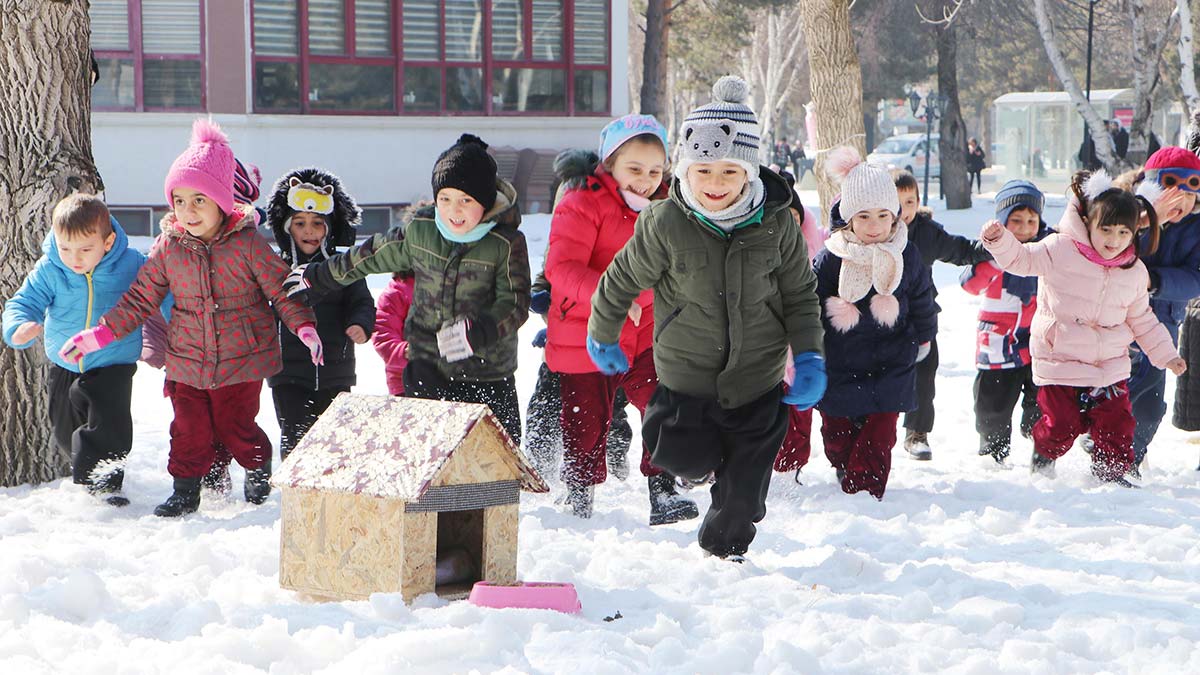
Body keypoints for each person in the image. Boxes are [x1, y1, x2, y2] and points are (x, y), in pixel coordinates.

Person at [588, 76, 825, 561]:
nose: (715, 185)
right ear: (685, 170)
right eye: (704, 171)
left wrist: (810, 355)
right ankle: (700, 460)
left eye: (729, 172)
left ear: (750, 173)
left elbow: (801, 294)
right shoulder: (665, 223)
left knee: (744, 498)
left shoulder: (777, 223)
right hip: (686, 377)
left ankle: (725, 552)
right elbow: (621, 278)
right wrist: (603, 331)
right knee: (679, 456)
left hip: (757, 379)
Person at [60, 119, 321, 516]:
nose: (187, 210)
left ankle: (255, 467)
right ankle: (186, 489)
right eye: (179, 200)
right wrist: (101, 333)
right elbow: (141, 297)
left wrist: (303, 325)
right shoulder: (169, 246)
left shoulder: (248, 244)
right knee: (188, 429)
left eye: (199, 200)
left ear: (220, 200)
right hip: (187, 359)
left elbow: (280, 289)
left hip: (241, 359)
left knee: (236, 427)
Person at [284, 134, 530, 443]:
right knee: (431, 455)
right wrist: (318, 276)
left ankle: (496, 492)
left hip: (488, 371)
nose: (454, 211)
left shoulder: (505, 243)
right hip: (429, 365)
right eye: (445, 199)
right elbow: (371, 255)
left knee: (493, 457)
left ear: (485, 200)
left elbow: (516, 302)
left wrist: (480, 330)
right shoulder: (422, 232)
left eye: (466, 200)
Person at [980, 170, 1184, 484]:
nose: (1113, 241)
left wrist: (1166, 354)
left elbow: (1142, 319)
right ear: (1088, 223)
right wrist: (1000, 241)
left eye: (1123, 233)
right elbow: (1021, 260)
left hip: (1109, 366)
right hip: (1060, 361)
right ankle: (1044, 446)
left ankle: (1112, 475)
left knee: (1118, 425)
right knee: (1061, 428)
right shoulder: (1059, 249)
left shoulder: (1133, 272)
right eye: (1106, 231)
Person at [545, 113, 699, 525]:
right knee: (587, 417)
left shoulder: (668, 208)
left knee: (663, 403)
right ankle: (579, 492)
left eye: (654, 170)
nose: (644, 180)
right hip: (586, 327)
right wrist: (611, 296)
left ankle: (663, 490)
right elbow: (561, 267)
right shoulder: (582, 202)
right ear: (609, 162)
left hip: (648, 328)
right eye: (634, 168)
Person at [2, 194, 148, 506]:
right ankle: (88, 465)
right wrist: (19, 327)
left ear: (107, 242)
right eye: (65, 247)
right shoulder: (51, 268)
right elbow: (23, 302)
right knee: (63, 427)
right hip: (65, 362)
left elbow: (158, 291)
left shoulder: (131, 264)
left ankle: (106, 485)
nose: (74, 258)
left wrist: (178, 319)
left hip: (113, 361)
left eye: (85, 249)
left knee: (108, 422)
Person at [814, 149, 937, 499]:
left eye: (883, 215)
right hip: (841, 359)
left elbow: (923, 297)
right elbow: (810, 303)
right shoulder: (831, 256)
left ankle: (866, 492)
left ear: (895, 216)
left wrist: (925, 336)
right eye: (864, 216)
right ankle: (843, 463)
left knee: (880, 432)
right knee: (838, 434)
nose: (874, 225)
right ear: (849, 218)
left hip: (893, 359)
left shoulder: (905, 253)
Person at [265, 168, 376, 460]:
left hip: (335, 370)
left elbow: (362, 301)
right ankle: (296, 492)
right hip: (287, 372)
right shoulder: (276, 268)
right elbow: (264, 308)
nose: (309, 231)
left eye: (317, 223)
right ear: (287, 227)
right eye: (300, 223)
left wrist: (360, 324)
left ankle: (330, 492)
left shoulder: (342, 267)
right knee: (295, 437)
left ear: (329, 227)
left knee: (335, 442)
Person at [893, 171, 990, 460]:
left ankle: (917, 432)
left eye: (909, 201)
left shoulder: (926, 232)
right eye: (896, 203)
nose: (903, 210)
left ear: (918, 201)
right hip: (883, 320)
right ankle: (873, 429)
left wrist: (991, 247)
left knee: (924, 374)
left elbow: (960, 250)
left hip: (921, 317)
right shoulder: (877, 230)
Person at [1125, 147, 1200, 476]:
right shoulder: (1126, 213)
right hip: (1116, 320)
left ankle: (1129, 457)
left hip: (1161, 325)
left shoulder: (1196, 228)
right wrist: (1144, 221)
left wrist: (1155, 280)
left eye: (1189, 193)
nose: (1180, 203)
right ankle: (1106, 446)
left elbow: (1195, 278)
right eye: (1172, 192)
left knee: (1150, 403)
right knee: (1110, 392)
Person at [960, 180, 1046, 464]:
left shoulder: (1046, 251)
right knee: (992, 403)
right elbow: (970, 285)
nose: (1023, 227)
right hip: (999, 339)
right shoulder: (991, 254)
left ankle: (1039, 439)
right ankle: (993, 451)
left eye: (1031, 220)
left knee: (1043, 398)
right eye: (1016, 221)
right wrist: (995, 259)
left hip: (1038, 339)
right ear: (1002, 222)